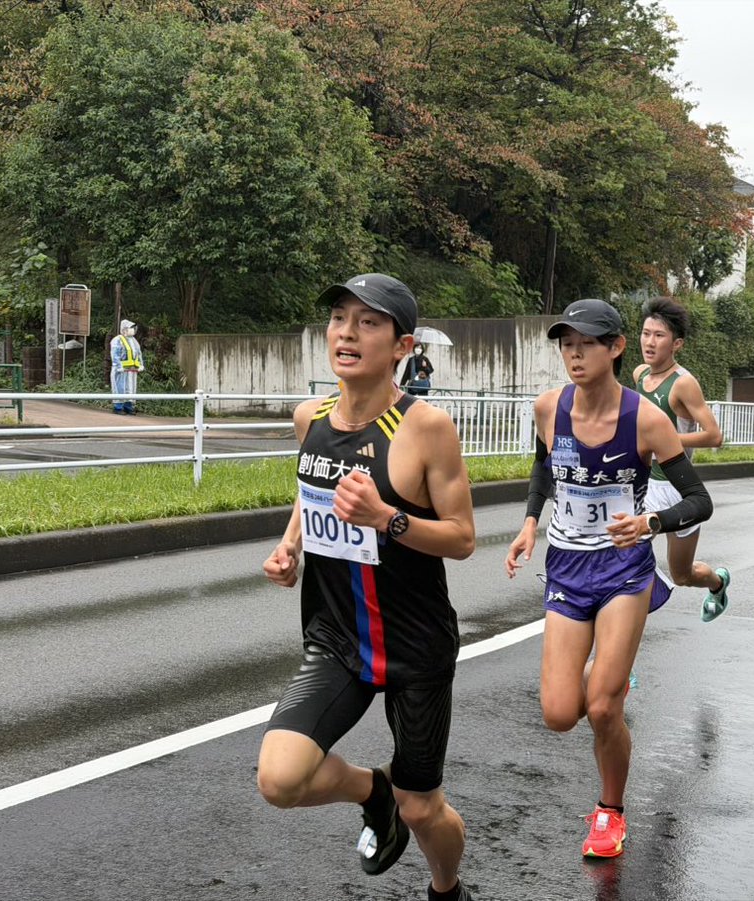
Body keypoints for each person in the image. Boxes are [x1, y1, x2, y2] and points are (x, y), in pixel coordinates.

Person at [258, 273, 476, 901]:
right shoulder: (311, 418)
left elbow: (462, 537)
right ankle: (372, 791)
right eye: (338, 319)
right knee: (279, 779)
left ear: (403, 346)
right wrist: (291, 545)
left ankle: (446, 889)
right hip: (337, 638)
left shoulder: (425, 427)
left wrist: (388, 519)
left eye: (368, 322)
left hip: (415, 646)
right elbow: (311, 495)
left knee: (421, 808)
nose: (347, 333)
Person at [504, 298, 713, 858]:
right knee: (558, 715)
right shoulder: (549, 408)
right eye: (566, 345)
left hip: (623, 570)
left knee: (602, 707)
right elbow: (543, 467)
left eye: (586, 344)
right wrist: (530, 523)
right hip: (567, 567)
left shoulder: (646, 419)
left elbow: (699, 500)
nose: (574, 355)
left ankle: (610, 811)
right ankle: (605, 673)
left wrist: (651, 523)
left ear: (615, 348)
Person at [633, 296, 730, 621]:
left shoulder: (683, 384)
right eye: (646, 333)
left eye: (659, 336)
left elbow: (714, 436)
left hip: (677, 487)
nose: (649, 342)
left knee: (682, 574)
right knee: (623, 554)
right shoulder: (639, 375)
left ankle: (717, 583)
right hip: (644, 483)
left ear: (677, 344)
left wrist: (664, 442)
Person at [109, 319, 143, 414]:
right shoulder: (117, 340)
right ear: (124, 329)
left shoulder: (134, 341)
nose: (133, 330)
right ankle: (118, 407)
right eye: (130, 328)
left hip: (132, 370)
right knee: (120, 388)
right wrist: (118, 366)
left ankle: (128, 406)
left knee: (130, 389)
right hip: (121, 370)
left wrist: (140, 365)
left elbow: (138, 353)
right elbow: (115, 354)